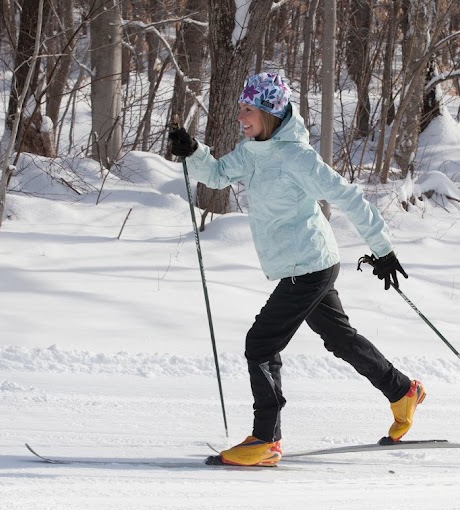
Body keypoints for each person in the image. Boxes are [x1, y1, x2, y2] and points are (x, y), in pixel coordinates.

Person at [168, 72, 425, 466]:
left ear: (270, 112)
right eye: (241, 107)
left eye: (247, 109)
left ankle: (266, 440)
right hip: (303, 264)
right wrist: (194, 152)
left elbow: (347, 195)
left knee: (261, 343)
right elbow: (217, 175)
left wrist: (382, 248)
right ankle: (402, 391)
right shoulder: (252, 150)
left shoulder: (297, 157)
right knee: (340, 339)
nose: (241, 116)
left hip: (308, 266)